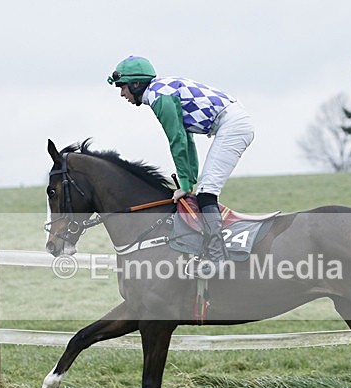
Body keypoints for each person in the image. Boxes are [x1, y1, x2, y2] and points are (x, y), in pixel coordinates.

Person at [107, 55, 254, 278]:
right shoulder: (160, 91)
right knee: (203, 190)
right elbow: (186, 138)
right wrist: (189, 180)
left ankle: (217, 256)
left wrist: (185, 185)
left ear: (136, 84)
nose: (121, 94)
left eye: (122, 87)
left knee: (207, 193)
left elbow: (177, 140)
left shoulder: (159, 97)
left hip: (233, 126)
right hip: (232, 122)